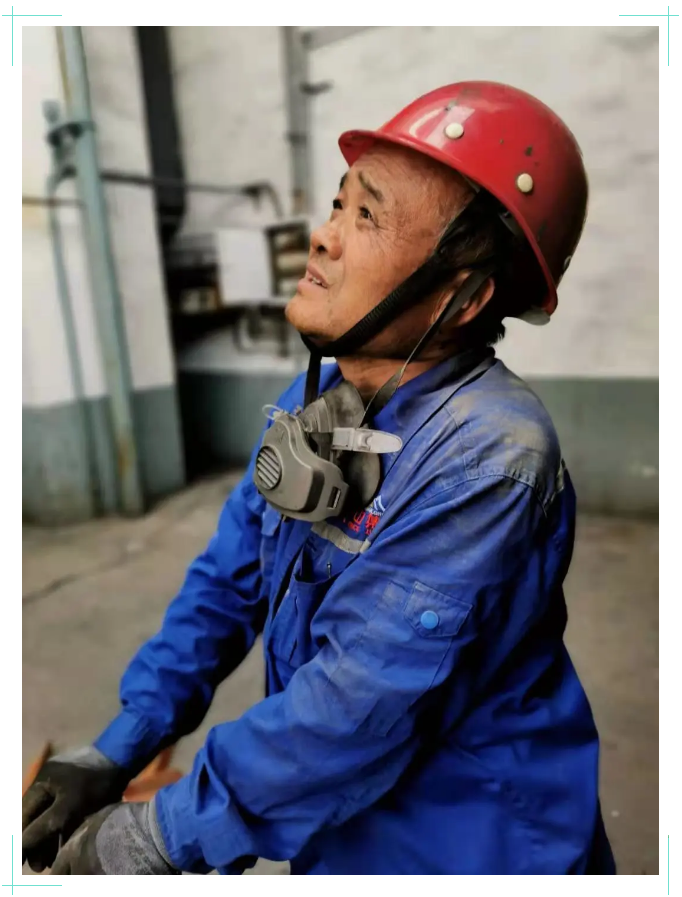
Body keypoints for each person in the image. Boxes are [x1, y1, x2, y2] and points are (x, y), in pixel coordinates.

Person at [22, 81, 615, 875]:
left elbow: (352, 710)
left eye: (367, 216)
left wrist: (154, 837)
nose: (323, 237)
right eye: (339, 204)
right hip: (337, 827)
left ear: (462, 295)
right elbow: (226, 584)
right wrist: (118, 746)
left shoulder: (490, 458)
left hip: (469, 847)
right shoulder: (326, 402)